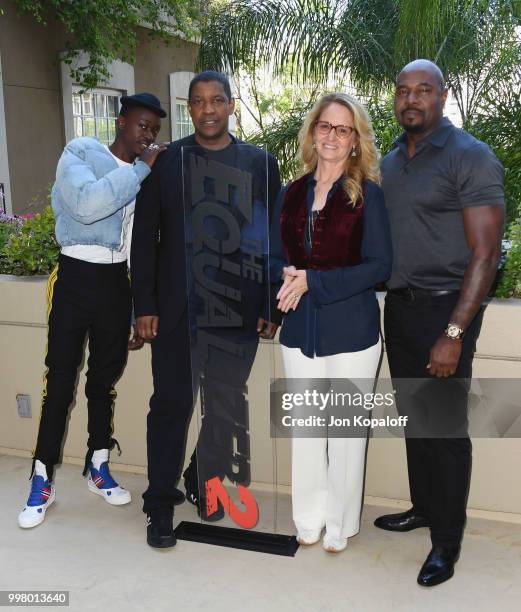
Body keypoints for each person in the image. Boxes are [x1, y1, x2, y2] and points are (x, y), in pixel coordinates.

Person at [131, 71, 281, 548]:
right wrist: (145, 305)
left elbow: (271, 239)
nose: (209, 109)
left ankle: (207, 480)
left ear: (231, 106)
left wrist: (269, 304)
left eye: (217, 100)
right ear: (189, 109)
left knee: (222, 408)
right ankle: (159, 504)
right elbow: (145, 238)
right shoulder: (167, 162)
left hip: (235, 311)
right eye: (198, 102)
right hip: (175, 314)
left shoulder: (259, 163)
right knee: (171, 407)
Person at [374, 59, 505, 586]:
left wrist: (453, 333)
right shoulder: (391, 161)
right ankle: (424, 507)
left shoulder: (469, 156)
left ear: (443, 97)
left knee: (445, 429)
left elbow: (487, 253)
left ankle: (446, 543)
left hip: (446, 310)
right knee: (415, 419)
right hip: (400, 307)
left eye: (422, 90)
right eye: (403, 90)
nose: (411, 99)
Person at [17, 93, 168, 529]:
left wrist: (138, 306)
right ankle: (41, 478)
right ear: (121, 123)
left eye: (155, 131)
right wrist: (141, 169)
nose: (148, 136)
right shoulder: (81, 151)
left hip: (115, 285)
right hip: (74, 278)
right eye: (142, 126)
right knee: (60, 381)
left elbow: (142, 244)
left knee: (104, 380)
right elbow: (86, 206)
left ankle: (97, 465)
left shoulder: (146, 175)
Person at [270, 93, 392, 552]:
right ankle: (309, 518)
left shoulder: (368, 196)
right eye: (325, 126)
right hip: (299, 331)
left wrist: (313, 281)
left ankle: (340, 525)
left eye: (343, 130)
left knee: (343, 434)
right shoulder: (291, 192)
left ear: (356, 140)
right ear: (312, 131)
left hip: (352, 332)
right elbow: (272, 255)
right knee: (306, 428)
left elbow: (379, 265)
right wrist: (283, 274)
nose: (332, 137)